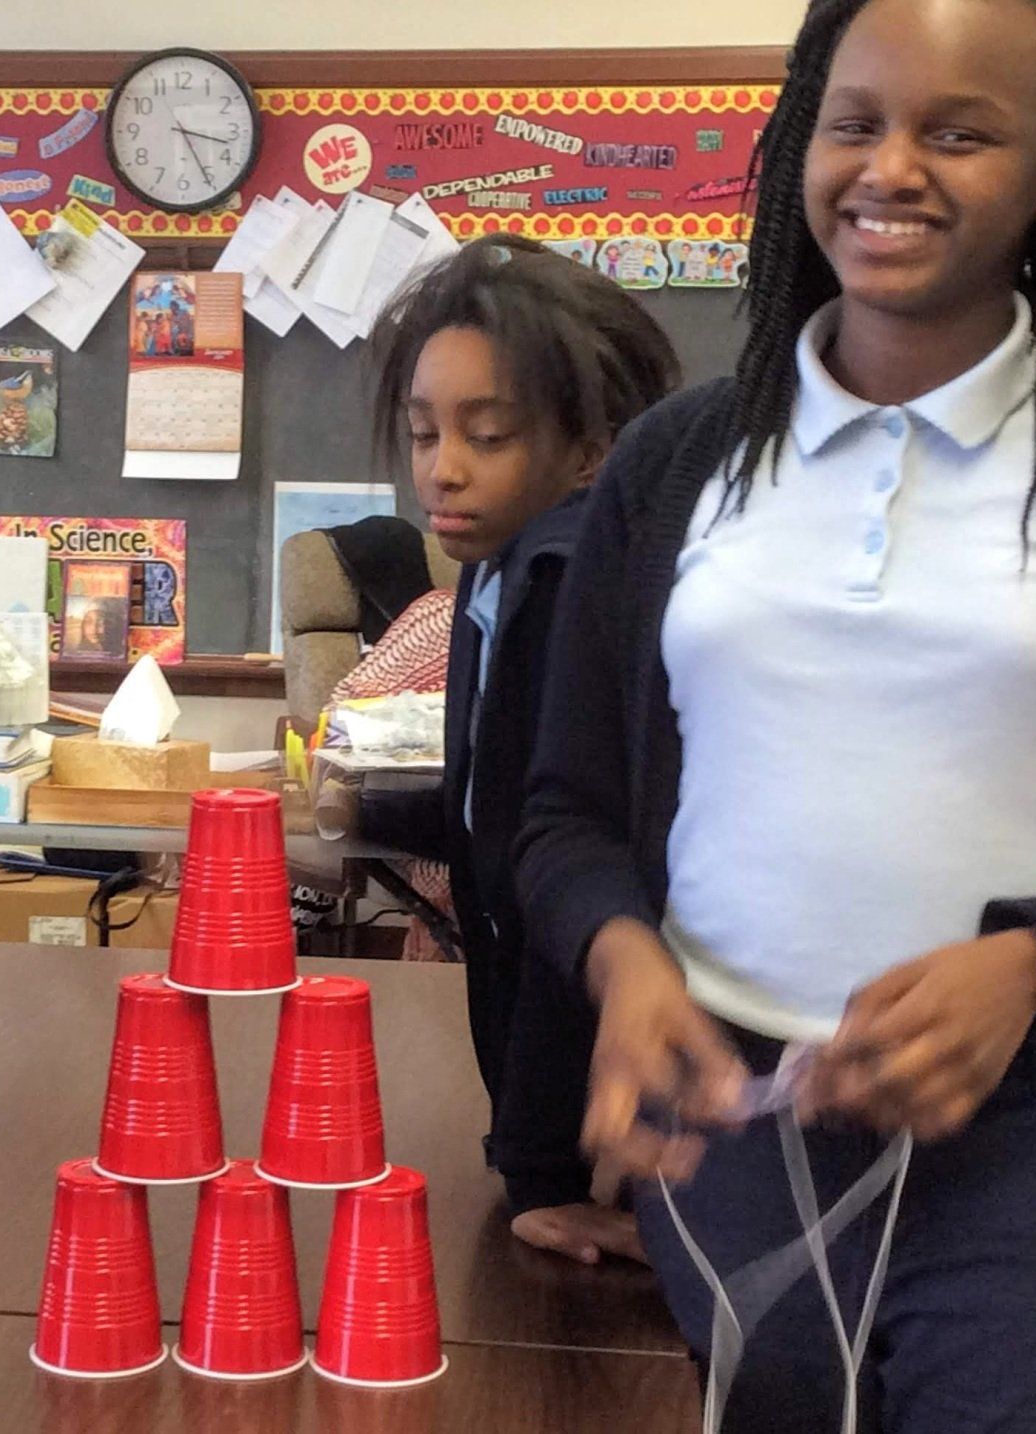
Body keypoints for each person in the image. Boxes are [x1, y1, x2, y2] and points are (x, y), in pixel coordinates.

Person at [515, 0, 1036, 1427]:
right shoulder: (678, 464)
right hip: (737, 1119)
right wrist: (625, 959)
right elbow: (562, 811)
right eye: (855, 122)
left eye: (959, 133)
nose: (890, 168)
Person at [360, 236, 679, 1261]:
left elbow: (550, 867)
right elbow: (487, 806)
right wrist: (355, 817)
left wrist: (540, 1165)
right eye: (422, 432)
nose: (441, 469)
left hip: (608, 1117)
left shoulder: (565, 577)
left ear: (591, 450)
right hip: (549, 1100)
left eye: (486, 436)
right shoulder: (492, 574)